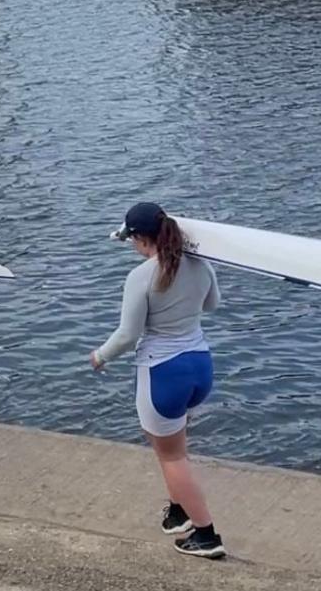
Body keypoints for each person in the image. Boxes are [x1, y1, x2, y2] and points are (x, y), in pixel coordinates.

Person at [90, 201, 225, 559]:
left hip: (163, 372)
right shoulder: (199, 262)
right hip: (199, 366)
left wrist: (100, 356)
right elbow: (212, 304)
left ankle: (206, 534)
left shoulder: (140, 276)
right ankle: (179, 511)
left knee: (171, 457)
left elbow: (127, 334)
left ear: (140, 238)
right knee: (169, 443)